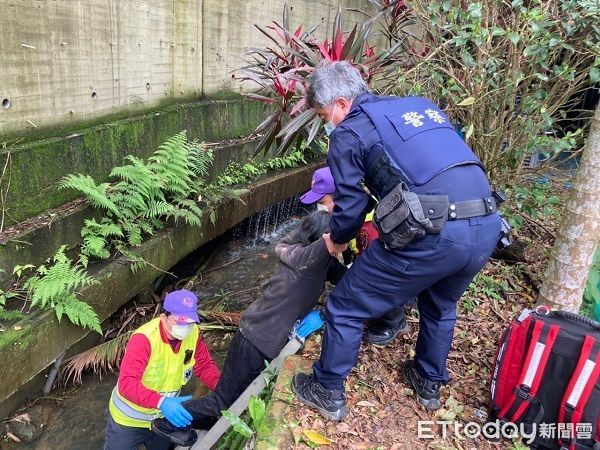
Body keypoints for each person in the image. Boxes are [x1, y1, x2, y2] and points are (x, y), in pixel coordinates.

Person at [292, 61, 501, 421]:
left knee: (345, 304)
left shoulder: (349, 132)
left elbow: (351, 203)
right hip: (487, 223)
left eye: (326, 115)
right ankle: (427, 380)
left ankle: (326, 389)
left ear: (341, 104)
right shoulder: (419, 105)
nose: (328, 124)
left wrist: (338, 240)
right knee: (439, 304)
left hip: (435, 233)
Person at [151, 211, 347, 446]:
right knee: (222, 401)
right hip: (256, 340)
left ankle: (194, 420)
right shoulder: (309, 259)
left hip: (254, 332)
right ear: (321, 239)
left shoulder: (296, 250)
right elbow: (329, 245)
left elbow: (347, 279)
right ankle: (168, 423)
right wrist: (324, 313)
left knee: (229, 396)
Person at [300, 166, 410, 345]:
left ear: (340, 198)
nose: (318, 208)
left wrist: (326, 312)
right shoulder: (352, 213)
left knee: (378, 280)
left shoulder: (372, 225)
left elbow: (376, 270)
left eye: (321, 201)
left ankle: (393, 321)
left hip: (396, 273)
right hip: (371, 261)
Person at [104, 289, 220, 450]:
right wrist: (162, 402)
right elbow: (127, 383)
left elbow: (205, 366)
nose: (185, 327)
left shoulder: (193, 334)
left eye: (189, 322)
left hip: (163, 420)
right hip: (128, 421)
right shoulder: (144, 340)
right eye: (180, 322)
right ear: (164, 317)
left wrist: (224, 388)